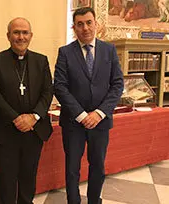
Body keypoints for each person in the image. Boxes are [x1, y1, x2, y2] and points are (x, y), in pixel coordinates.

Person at [54, 7, 124, 204]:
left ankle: (95, 200)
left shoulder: (109, 50)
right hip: (73, 122)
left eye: (88, 22)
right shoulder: (65, 52)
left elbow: (117, 84)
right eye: (80, 24)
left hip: (100, 122)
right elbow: (59, 86)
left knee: (98, 167)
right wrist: (82, 115)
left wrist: (100, 113)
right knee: (72, 169)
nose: (85, 28)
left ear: (96, 24)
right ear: (74, 27)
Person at [0, 17, 53, 204]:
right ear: (8, 36)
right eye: (16, 32)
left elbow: (48, 91)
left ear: (31, 36)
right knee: (6, 178)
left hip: (34, 130)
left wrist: (34, 117)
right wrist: (16, 118)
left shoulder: (41, 61)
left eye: (25, 33)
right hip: (6, 130)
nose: (21, 37)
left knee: (28, 176)